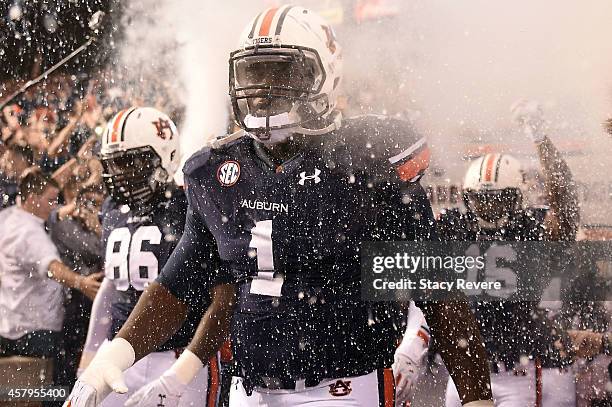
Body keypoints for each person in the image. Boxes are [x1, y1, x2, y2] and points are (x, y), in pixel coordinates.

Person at [64, 6, 493, 407]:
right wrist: (114, 357)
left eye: (280, 73)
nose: (262, 90)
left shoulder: (368, 159)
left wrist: (476, 396)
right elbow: (178, 284)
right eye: (253, 73)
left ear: (324, 75)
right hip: (249, 390)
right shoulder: (217, 170)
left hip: (345, 388)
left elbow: (440, 293)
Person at [399, 101, 580, 407]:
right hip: (466, 371)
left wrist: (541, 139)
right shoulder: (454, 228)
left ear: (517, 198)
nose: (488, 209)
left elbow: (566, 207)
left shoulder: (530, 228)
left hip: (518, 372)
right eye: (481, 200)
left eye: (498, 200)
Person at [70, 107, 226, 407]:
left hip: (177, 351)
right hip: (119, 352)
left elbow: (222, 297)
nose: (119, 174)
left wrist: (184, 370)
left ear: (164, 156)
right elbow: (114, 286)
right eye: (113, 164)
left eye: (129, 161)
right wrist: (89, 356)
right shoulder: (113, 211)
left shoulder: (189, 205)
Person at [0, 169, 102, 367]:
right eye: (51, 200)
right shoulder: (30, 233)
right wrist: (80, 282)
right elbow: (52, 267)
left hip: (10, 322)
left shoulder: (8, 216)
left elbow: (41, 186)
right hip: (35, 329)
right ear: (31, 199)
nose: (55, 206)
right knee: (51, 392)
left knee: (19, 393)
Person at [0, 143, 34, 208]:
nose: (3, 164)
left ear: (22, 161)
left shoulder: (31, 182)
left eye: (9, 160)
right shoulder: (4, 179)